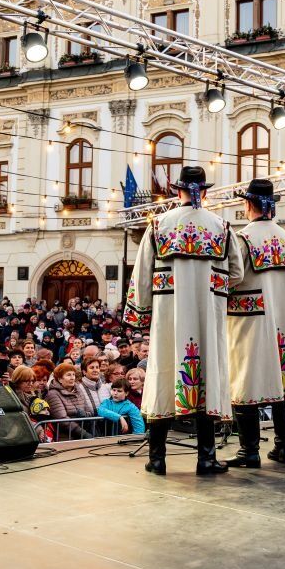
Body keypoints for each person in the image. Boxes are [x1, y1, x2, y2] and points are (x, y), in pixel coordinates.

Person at [121, 165, 244, 475]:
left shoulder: (159, 224)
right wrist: (213, 288)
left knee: (164, 376)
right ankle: (206, 457)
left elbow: (142, 274)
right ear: (204, 191)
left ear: (177, 191)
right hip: (207, 316)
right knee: (206, 378)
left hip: (169, 316)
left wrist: (139, 313)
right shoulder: (221, 226)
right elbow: (238, 273)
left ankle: (158, 458)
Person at [225, 178, 285, 466]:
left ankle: (249, 450)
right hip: (281, 316)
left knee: (246, 380)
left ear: (248, 204)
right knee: (278, 381)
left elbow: (234, 277)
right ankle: (283, 446)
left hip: (249, 318)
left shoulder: (243, 237)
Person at [44, 361, 96, 440]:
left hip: (84, 433)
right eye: (68, 375)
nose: (72, 378)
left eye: (73, 374)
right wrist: (83, 434)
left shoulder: (78, 390)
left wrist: (84, 415)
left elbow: (89, 411)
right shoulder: (53, 394)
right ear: (60, 379)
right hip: (66, 438)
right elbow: (63, 420)